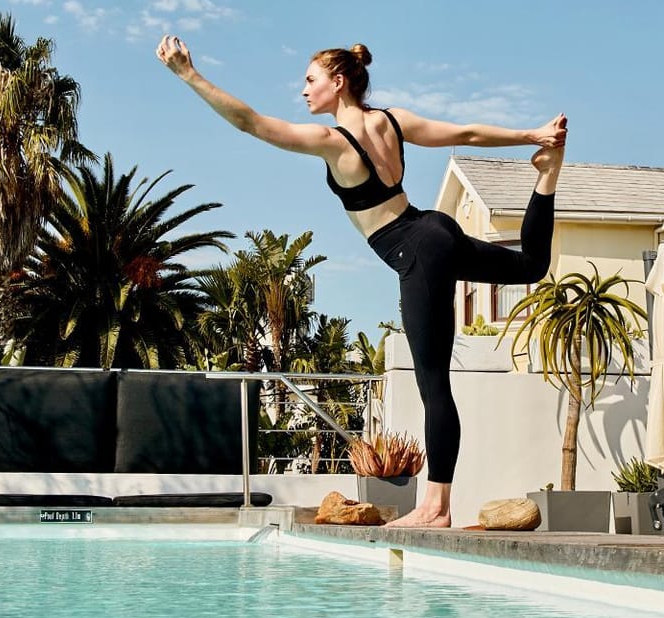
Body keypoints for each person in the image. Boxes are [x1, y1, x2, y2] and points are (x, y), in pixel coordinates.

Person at [156, 37, 566, 528]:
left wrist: (189, 76)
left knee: (434, 385)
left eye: (310, 81)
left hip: (415, 247)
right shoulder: (392, 121)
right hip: (434, 227)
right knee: (529, 267)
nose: (303, 90)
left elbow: (251, 124)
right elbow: (468, 133)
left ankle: (435, 508)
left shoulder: (333, 142)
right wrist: (533, 135)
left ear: (338, 81)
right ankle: (547, 177)